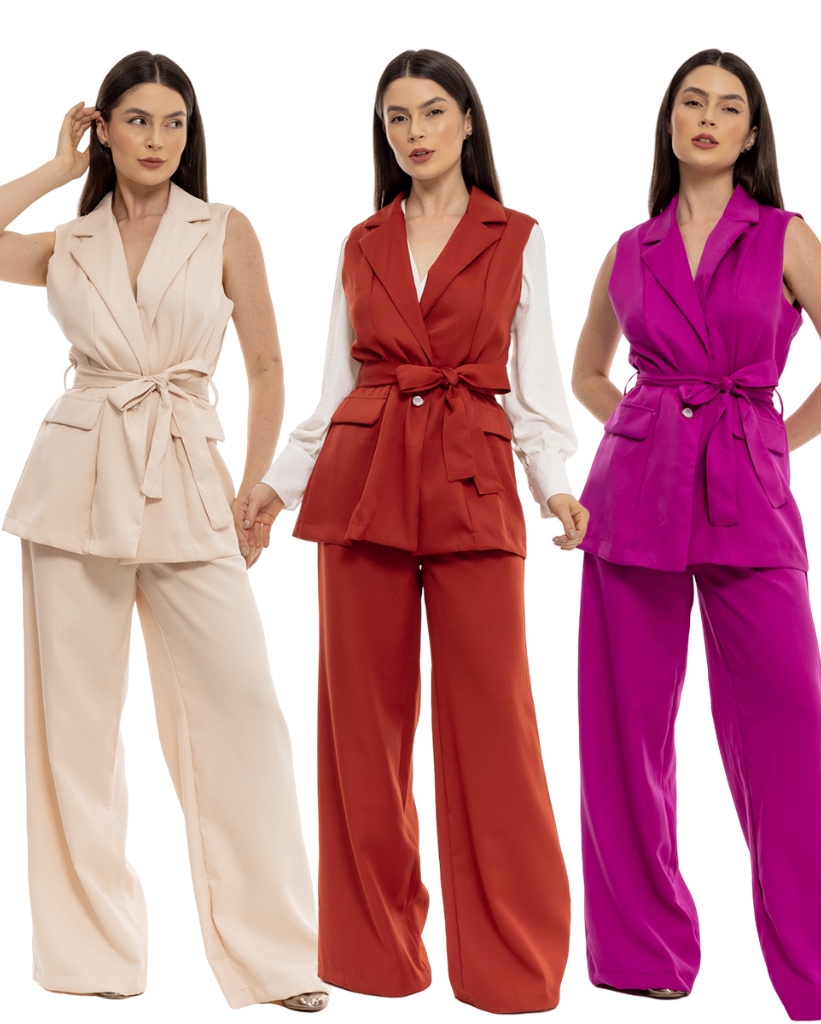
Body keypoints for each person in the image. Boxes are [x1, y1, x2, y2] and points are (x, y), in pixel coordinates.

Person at [0, 51, 327, 1012]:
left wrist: (258, 488)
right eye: (139, 121)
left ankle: (275, 961)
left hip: (190, 475)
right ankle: (93, 964)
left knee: (243, 718)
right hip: (74, 481)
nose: (159, 139)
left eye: (175, 122)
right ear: (103, 129)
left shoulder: (225, 228)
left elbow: (268, 366)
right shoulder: (68, 242)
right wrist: (55, 170)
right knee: (73, 730)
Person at [244, 49, 586, 1014]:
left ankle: (510, 966)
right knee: (362, 729)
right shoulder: (361, 242)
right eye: (397, 117)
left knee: (494, 727)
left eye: (433, 111)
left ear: (468, 120)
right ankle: (374, 958)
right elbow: (333, 390)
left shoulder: (517, 236)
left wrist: (557, 488)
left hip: (474, 479)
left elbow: (536, 384)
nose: (415, 132)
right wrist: (272, 490)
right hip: (362, 484)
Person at [571, 49, 821, 1021]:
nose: (707, 116)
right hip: (634, 498)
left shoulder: (784, 235)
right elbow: (586, 374)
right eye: (692, 102)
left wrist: (769, 441)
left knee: (788, 725)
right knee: (623, 731)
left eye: (729, 106)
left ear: (750, 135)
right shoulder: (630, 248)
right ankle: (642, 956)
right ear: (670, 124)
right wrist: (639, 430)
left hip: (748, 493)